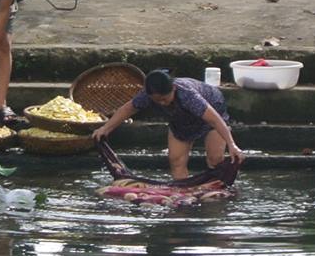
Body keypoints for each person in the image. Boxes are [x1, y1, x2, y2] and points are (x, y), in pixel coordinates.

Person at [93, 69, 246, 179]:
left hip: (212, 110)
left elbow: (215, 120)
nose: (162, 103)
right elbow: (128, 109)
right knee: (176, 161)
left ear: (173, 88)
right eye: (157, 101)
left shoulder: (187, 95)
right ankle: (183, 195)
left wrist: (232, 145)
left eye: (165, 99)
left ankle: (216, 192)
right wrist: (106, 128)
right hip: (180, 120)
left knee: (215, 160)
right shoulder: (146, 95)